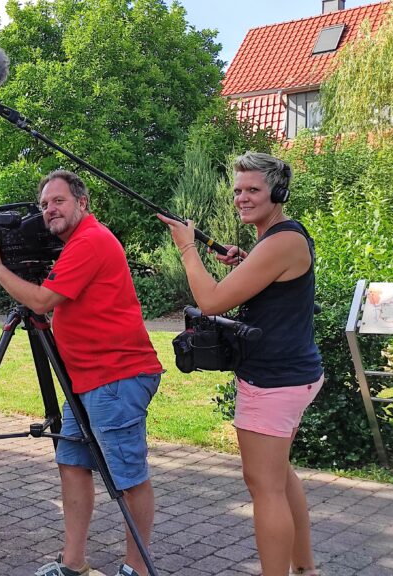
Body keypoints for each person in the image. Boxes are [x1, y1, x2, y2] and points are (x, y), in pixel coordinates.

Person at [0, 171, 162, 576]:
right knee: (72, 461)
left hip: (115, 376)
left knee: (128, 475)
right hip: (84, 379)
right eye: (44, 205)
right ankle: (73, 563)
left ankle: (138, 569)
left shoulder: (90, 240)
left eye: (57, 201)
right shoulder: (76, 244)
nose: (49, 210)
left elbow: (41, 300)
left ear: (83, 203)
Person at [157, 152, 323, 576]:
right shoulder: (281, 239)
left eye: (253, 190)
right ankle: (304, 569)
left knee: (264, 487)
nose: (242, 198)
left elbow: (210, 300)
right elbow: (273, 286)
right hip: (292, 374)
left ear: (278, 192)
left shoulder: (282, 241)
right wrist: (246, 261)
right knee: (279, 475)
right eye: (237, 190)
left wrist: (188, 248)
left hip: (273, 381)